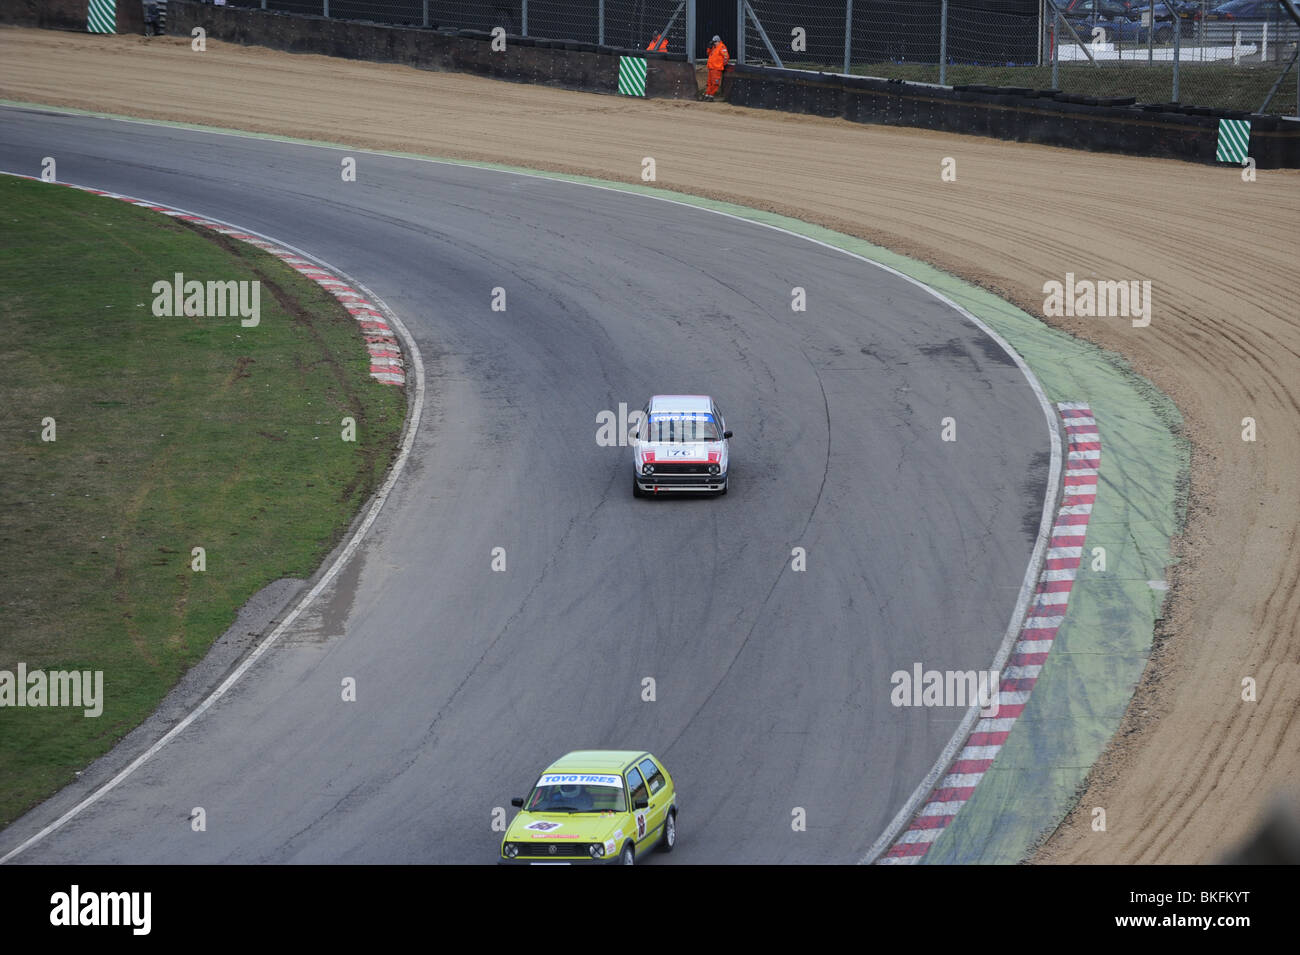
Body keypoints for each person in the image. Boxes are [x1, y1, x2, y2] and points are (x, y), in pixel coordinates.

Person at [705, 34, 729, 100]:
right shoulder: (713, 47)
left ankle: (711, 95)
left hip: (717, 68)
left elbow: (726, 57)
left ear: (718, 41)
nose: (714, 43)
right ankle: (707, 95)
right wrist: (709, 48)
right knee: (709, 83)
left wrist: (722, 64)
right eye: (713, 42)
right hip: (711, 68)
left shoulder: (722, 47)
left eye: (715, 42)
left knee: (715, 83)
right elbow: (708, 53)